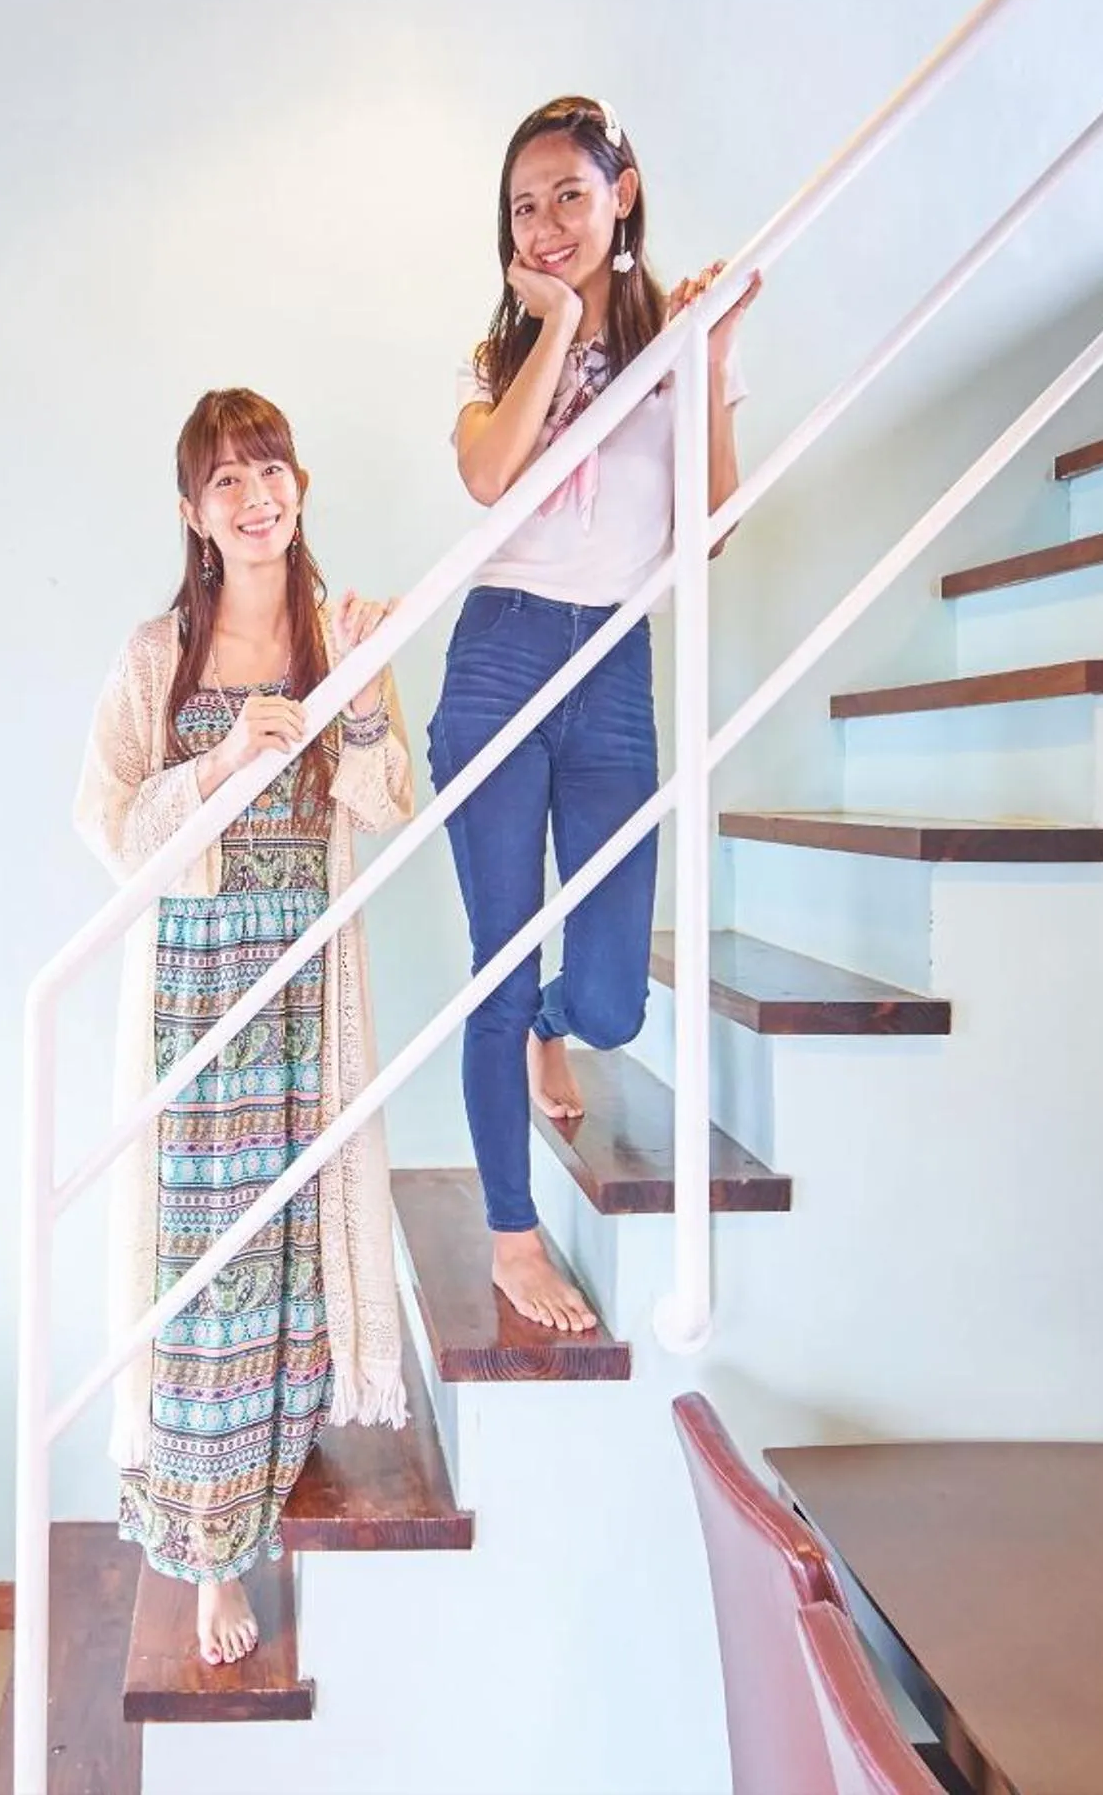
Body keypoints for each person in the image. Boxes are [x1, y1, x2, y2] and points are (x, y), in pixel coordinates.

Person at [76, 388, 414, 1666]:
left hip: (309, 985)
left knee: (294, 1258)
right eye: (226, 480)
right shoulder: (156, 655)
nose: (255, 494)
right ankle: (211, 1551)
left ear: (301, 484)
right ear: (193, 514)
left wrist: (368, 696)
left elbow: (383, 803)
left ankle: (274, 1480)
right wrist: (217, 769)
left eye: (269, 468)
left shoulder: (343, 630)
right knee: (204, 1277)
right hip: (195, 992)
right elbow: (108, 827)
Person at [429, 94, 760, 1332]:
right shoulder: (498, 363)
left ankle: (554, 1027)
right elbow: (486, 474)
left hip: (614, 665)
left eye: (571, 192)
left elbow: (710, 535)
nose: (549, 220)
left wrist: (713, 365)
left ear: (623, 193)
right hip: (502, 656)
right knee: (498, 964)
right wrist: (558, 321)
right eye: (524, 205)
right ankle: (514, 1238)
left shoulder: (678, 347)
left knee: (615, 998)